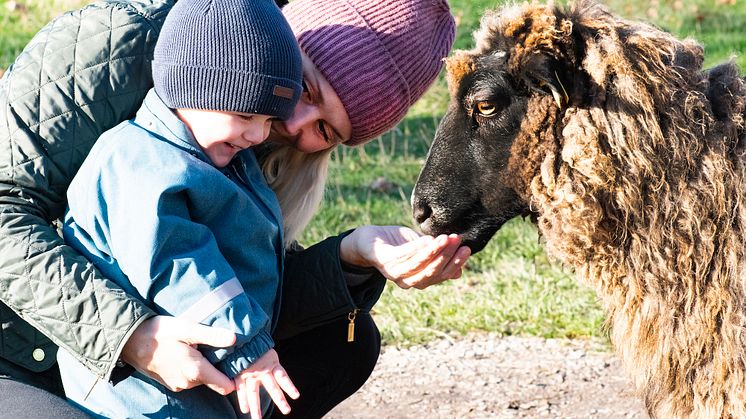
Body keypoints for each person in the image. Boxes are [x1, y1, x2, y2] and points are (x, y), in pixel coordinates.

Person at [0, 0, 467, 417]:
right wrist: (131, 337)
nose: (293, 126)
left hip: (161, 359)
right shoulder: (121, 47)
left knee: (345, 340)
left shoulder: (245, 127)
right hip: (20, 349)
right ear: (284, 41)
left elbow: (235, 275)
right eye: (305, 89)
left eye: (327, 132)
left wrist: (352, 256)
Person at [55, 0, 303, 417]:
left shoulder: (214, 157)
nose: (258, 133)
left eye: (268, 119)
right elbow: (175, 263)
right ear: (188, 88)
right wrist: (248, 346)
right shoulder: (137, 160)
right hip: (142, 399)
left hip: (200, 386)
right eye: (245, 114)